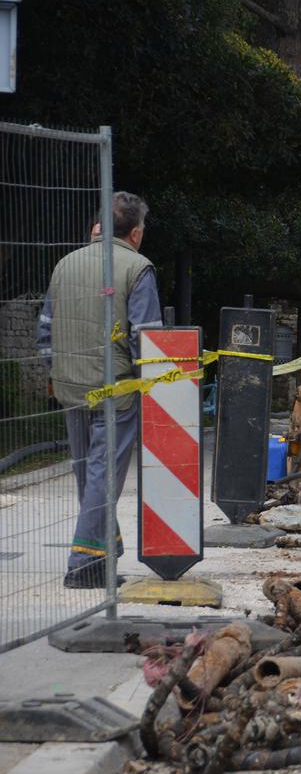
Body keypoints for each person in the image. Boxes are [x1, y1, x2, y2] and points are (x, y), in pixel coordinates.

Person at [36, 192, 162, 588]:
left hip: (71, 387)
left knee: (86, 473)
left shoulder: (64, 264)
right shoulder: (137, 268)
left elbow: (45, 329)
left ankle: (104, 551)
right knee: (103, 476)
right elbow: (146, 338)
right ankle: (83, 565)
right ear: (136, 233)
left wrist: (55, 371)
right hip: (116, 391)